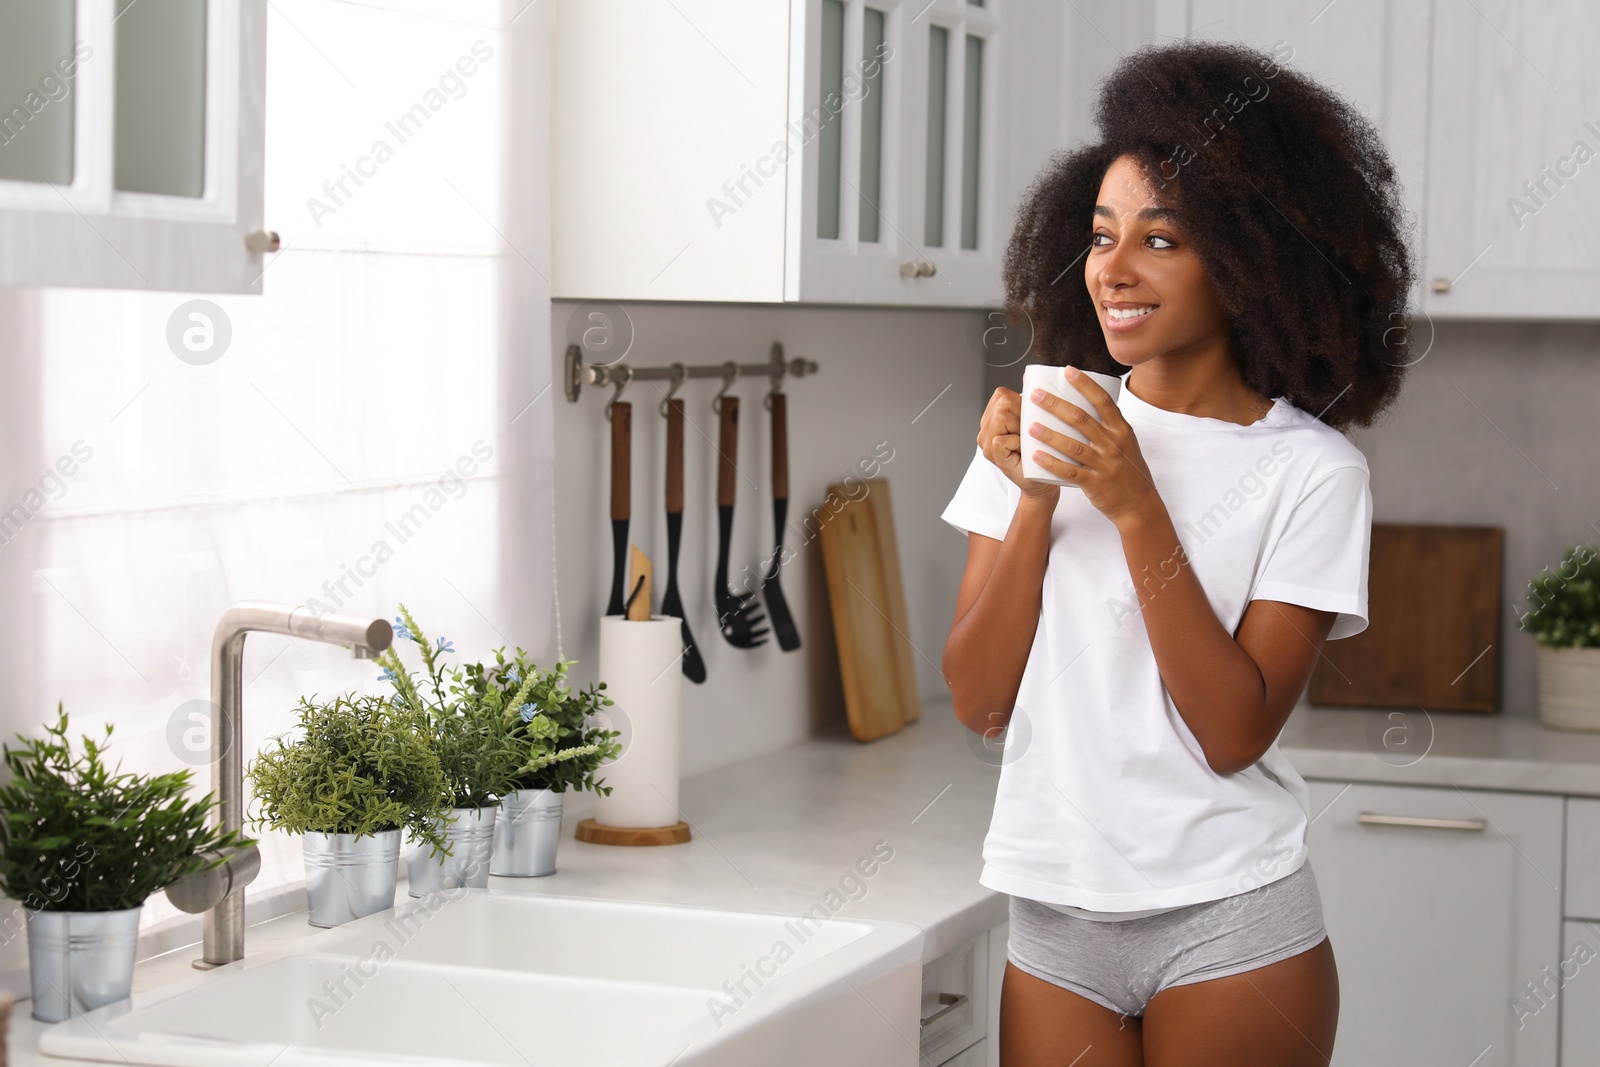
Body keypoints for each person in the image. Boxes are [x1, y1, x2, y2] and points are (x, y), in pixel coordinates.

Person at [940, 37, 1415, 1065]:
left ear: (1249, 259)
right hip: (1055, 915)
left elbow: (1232, 729)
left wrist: (1135, 507)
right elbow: (979, 702)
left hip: (1230, 922)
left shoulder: (1311, 472)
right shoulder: (1049, 420)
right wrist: (1033, 500)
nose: (1112, 268)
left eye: (1160, 239)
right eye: (1102, 233)